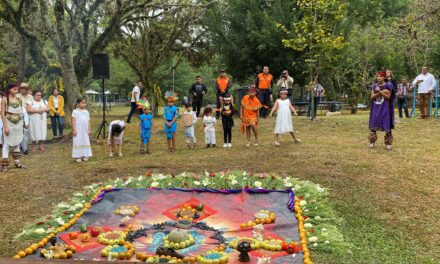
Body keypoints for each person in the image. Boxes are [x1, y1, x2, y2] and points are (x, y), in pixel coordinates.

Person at [1, 82, 29, 171]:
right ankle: (4, 165)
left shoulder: (19, 99)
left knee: (17, 142)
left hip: (18, 123)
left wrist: (24, 122)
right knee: (6, 144)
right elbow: (2, 113)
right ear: (9, 90)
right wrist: (5, 127)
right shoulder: (4, 100)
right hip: (9, 123)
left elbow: (22, 112)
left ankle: (17, 162)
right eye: (14, 89)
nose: (16, 90)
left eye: (17, 89)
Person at [368, 71, 395, 150]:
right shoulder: (374, 85)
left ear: (384, 77)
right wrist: (382, 92)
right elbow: (372, 96)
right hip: (375, 108)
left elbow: (388, 97)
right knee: (374, 124)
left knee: (386, 124)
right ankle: (371, 142)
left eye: (380, 76)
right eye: (377, 76)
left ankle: (388, 143)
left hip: (385, 108)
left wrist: (379, 91)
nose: (378, 78)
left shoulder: (389, 85)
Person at [72, 98, 92, 162]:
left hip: (85, 130)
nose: (84, 104)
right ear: (78, 104)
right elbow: (73, 121)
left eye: (84, 103)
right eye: (82, 103)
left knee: (85, 140)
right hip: (78, 129)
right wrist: (74, 130)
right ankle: (78, 156)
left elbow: (88, 121)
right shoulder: (75, 111)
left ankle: (85, 155)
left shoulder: (86, 112)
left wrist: (89, 129)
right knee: (78, 141)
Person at [16, 83, 33, 155]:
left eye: (24, 88)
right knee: (18, 132)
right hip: (18, 116)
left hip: (28, 116)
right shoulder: (17, 96)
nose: (22, 89)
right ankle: (19, 147)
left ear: (27, 89)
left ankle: (24, 148)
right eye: (21, 88)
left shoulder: (31, 97)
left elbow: (32, 106)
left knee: (26, 132)